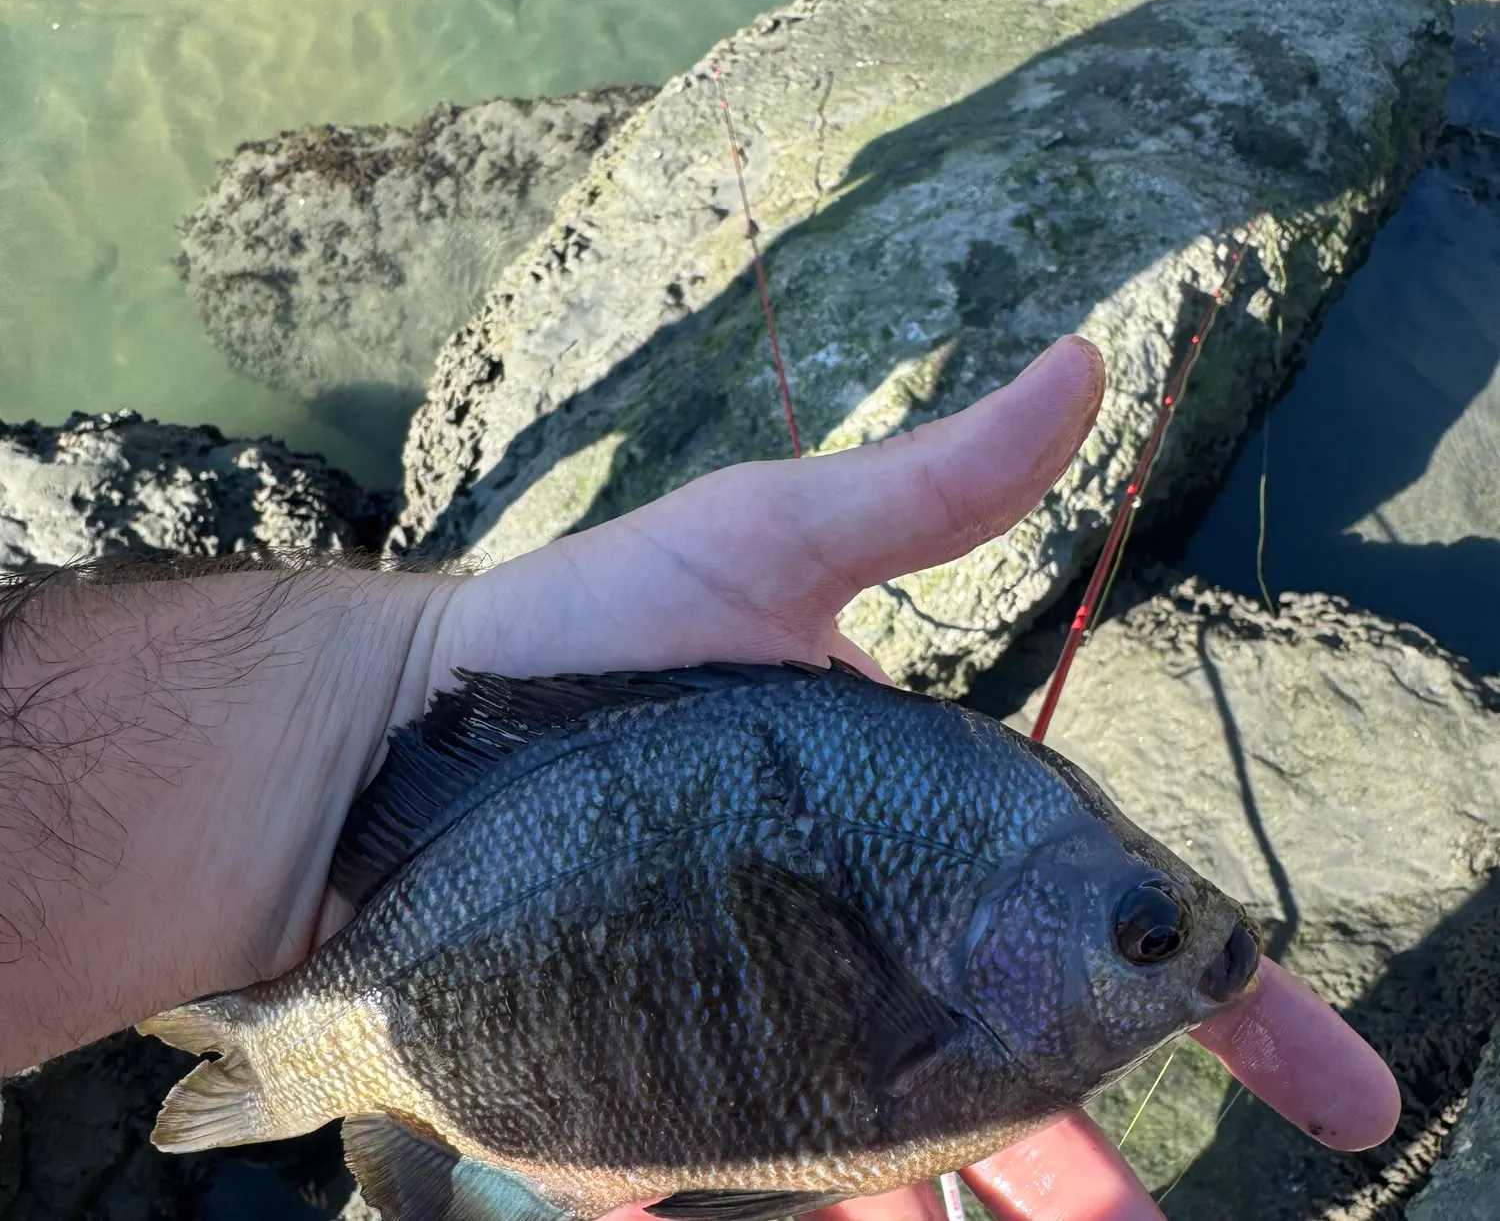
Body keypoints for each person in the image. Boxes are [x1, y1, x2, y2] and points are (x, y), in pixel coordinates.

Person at [0, 335, 1397, 1221]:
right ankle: (293, 1046)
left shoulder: (996, 868)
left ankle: (296, 1045)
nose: (1194, 952)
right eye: (1142, 932)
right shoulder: (991, 890)